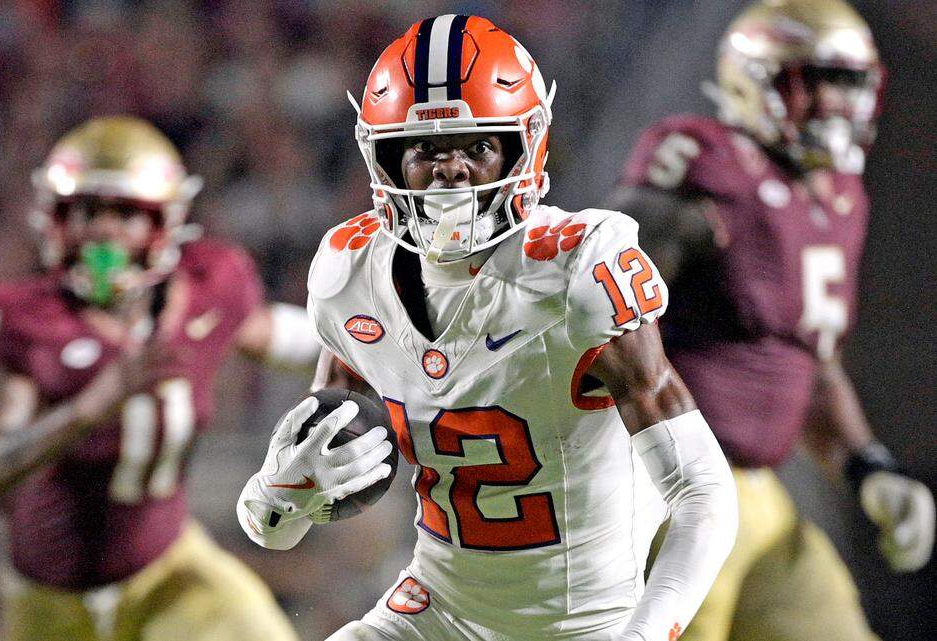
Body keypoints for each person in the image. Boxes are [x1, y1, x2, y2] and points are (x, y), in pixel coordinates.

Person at [238, 15, 738, 641]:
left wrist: (644, 635)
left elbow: (702, 494)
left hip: (583, 626)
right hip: (436, 611)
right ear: (387, 157)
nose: (452, 172)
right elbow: (299, 503)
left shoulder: (576, 271)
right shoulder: (351, 274)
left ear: (523, 147)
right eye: (426, 149)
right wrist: (274, 498)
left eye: (478, 147)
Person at [604, 1, 935, 640]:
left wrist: (868, 465)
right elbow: (599, 309)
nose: (837, 106)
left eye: (850, 85)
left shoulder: (840, 201)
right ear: (754, 79)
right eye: (816, 82)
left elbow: (810, 363)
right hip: (662, 490)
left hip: (760, 493)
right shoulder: (707, 162)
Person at [0, 116, 313, 641]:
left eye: (124, 213)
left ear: (163, 224)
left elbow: (285, 338)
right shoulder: (27, 320)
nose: (102, 230)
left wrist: (385, 356)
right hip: (50, 603)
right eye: (87, 211)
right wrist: (85, 411)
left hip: (172, 574)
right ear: (56, 218)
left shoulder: (207, 289)